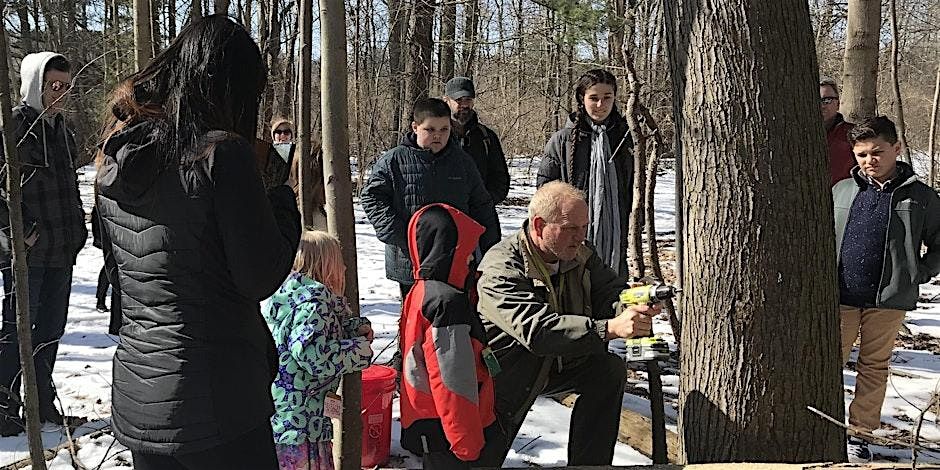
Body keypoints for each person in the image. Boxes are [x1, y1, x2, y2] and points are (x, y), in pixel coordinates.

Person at [95, 15, 301, 469]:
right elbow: (260, 274)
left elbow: (120, 269)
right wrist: (282, 201)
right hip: (218, 400)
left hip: (141, 394)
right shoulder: (220, 156)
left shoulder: (117, 156)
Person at [474, 181, 658, 467]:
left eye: (584, 227)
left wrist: (633, 306)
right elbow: (537, 331)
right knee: (480, 459)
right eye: (570, 228)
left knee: (607, 371)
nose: (579, 237)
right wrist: (609, 328)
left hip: (560, 362)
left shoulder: (580, 253)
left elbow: (610, 292)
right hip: (507, 376)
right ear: (538, 225)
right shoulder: (501, 266)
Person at [833, 116, 940, 462]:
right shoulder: (842, 190)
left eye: (877, 152)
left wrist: (917, 273)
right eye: (861, 154)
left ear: (896, 148)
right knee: (826, 362)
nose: (869, 161)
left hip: (889, 300)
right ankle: (826, 425)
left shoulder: (921, 196)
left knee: (874, 367)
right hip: (841, 295)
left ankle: (859, 434)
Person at [0, 51, 87, 437]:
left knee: (51, 328)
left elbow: (70, 186)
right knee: (18, 329)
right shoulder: (13, 125)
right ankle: (4, 402)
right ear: (36, 84)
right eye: (54, 86)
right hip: (27, 252)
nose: (61, 94)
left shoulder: (63, 131)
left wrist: (80, 230)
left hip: (62, 250)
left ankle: (40, 401)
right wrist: (17, 231)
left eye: (66, 87)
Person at [361, 97, 500, 300]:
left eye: (444, 129)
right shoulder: (393, 160)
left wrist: (491, 250)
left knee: (453, 319)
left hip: (455, 259)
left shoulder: (462, 162)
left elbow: (482, 205)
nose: (438, 136)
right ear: (415, 127)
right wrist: (402, 236)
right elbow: (372, 198)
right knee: (415, 320)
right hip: (410, 260)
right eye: (430, 130)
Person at [399, 204, 498, 469]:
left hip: (428, 423)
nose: (471, 259)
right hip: (449, 434)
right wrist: (467, 443)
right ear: (449, 249)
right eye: (467, 251)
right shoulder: (447, 303)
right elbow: (453, 381)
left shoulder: (420, 290)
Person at [265, 231, 373, 470]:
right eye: (339, 261)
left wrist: (352, 327)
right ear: (327, 265)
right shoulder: (314, 303)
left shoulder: (287, 296)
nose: (344, 268)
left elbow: (316, 330)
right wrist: (359, 351)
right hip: (302, 423)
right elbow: (311, 354)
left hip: (285, 416)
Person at [536, 69, 634, 276]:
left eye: (607, 97)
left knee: (612, 283)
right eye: (594, 98)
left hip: (617, 231)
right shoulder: (563, 140)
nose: (601, 105)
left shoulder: (627, 138)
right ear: (582, 99)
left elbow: (634, 186)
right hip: (572, 231)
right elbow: (545, 190)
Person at [442, 77, 510, 206]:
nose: (464, 105)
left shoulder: (487, 137)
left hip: (480, 214)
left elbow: (500, 178)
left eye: (468, 99)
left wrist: (486, 201)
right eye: (458, 100)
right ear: (446, 101)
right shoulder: (436, 136)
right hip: (443, 213)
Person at [820, 77, 856, 186]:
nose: (822, 106)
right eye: (816, 100)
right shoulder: (797, 137)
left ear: (838, 103)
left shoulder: (853, 134)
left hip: (843, 199)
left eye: (827, 100)